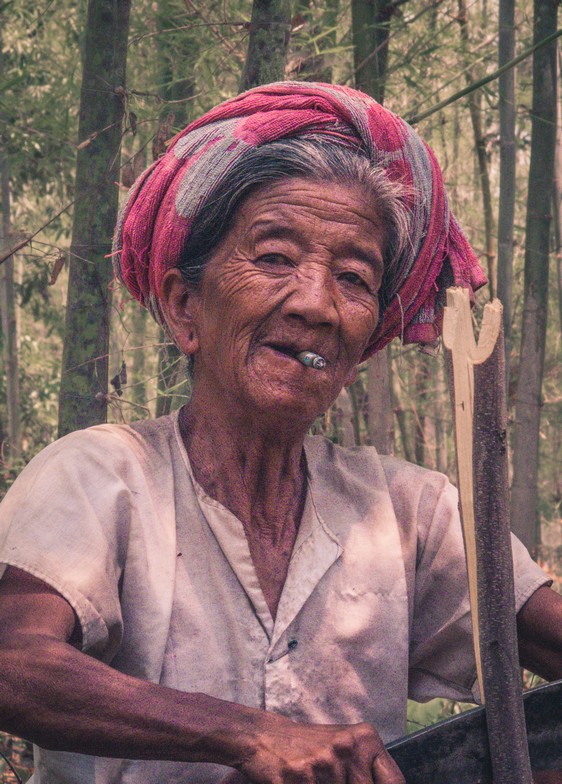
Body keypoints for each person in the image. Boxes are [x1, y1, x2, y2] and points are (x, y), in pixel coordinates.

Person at [0, 82, 560, 784]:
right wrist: (245, 734)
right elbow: (12, 662)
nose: (317, 304)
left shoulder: (414, 515)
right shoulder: (99, 478)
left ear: (365, 346)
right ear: (184, 308)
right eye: (273, 259)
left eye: (354, 277)